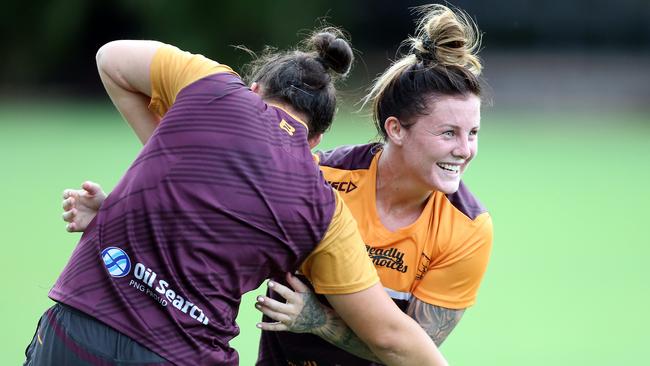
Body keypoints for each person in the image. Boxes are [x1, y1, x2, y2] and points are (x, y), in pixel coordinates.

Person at [25, 28, 447, 366]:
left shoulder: (214, 87)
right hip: (182, 354)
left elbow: (111, 57)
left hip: (76, 329)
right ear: (315, 140)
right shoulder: (324, 211)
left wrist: (167, 165)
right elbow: (390, 338)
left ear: (257, 89)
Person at [253, 4, 494, 365]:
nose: (465, 150)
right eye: (448, 133)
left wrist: (319, 321)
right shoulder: (321, 176)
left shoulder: (467, 228)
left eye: (472, 133)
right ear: (396, 129)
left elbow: (409, 353)